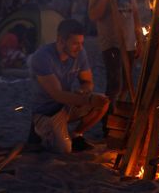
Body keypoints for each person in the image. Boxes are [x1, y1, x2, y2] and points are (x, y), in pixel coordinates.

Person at [28, 19, 109, 153]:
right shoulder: (42, 57)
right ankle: (41, 132)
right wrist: (87, 99)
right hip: (47, 111)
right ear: (61, 40)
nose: (80, 47)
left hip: (67, 106)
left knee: (103, 102)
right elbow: (57, 95)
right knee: (65, 149)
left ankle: (76, 134)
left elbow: (87, 81)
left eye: (81, 43)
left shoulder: (79, 53)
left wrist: (84, 90)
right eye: (75, 43)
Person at [87, 0, 143, 124]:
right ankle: (107, 123)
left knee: (127, 84)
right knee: (115, 83)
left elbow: (134, 11)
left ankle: (121, 122)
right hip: (110, 41)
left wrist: (139, 38)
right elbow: (93, 15)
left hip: (129, 41)